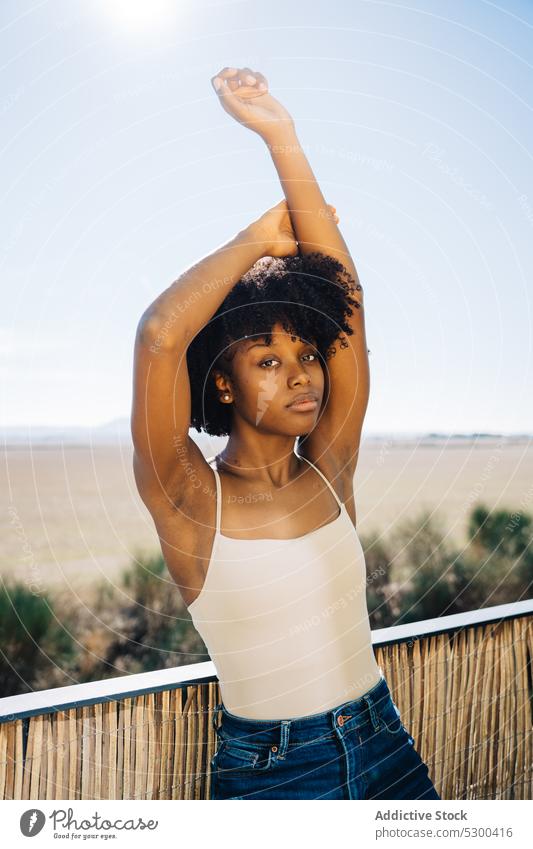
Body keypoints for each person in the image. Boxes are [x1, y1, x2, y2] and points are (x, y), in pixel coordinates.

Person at [131, 66, 440, 800]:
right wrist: (252, 241)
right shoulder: (187, 495)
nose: (301, 373)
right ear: (224, 381)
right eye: (268, 359)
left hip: (385, 740)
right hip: (277, 774)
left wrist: (281, 135)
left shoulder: (329, 467)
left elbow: (348, 304)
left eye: (306, 353)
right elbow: (158, 338)